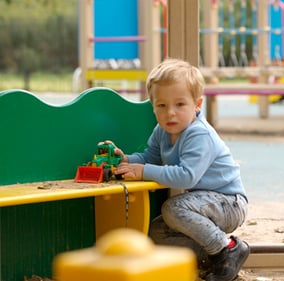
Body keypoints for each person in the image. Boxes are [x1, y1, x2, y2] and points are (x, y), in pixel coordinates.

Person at [101, 58, 249, 281]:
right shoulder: (162, 132)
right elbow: (149, 158)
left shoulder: (199, 134)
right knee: (157, 232)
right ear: (154, 107)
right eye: (162, 106)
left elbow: (186, 177)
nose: (170, 113)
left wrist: (143, 171)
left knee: (173, 209)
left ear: (197, 105)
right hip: (203, 203)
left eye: (180, 105)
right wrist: (126, 160)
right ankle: (209, 258)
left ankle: (227, 249)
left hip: (228, 203)